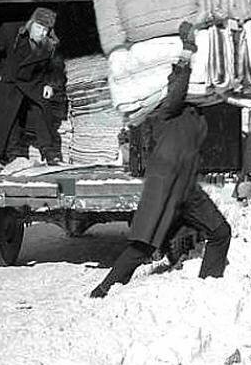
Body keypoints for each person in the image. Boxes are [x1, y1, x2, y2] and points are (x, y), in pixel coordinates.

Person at [90, 22, 231, 298]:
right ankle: (102, 291)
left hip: (186, 189)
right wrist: (187, 52)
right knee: (143, 246)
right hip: (166, 186)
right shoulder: (164, 112)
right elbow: (177, 88)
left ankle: (209, 287)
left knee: (221, 232)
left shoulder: (191, 113)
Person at [0, 8, 67, 166]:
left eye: (45, 30)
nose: (42, 33)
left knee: (43, 110)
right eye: (39, 28)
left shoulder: (50, 44)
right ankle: (14, 155)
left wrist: (50, 84)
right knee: (10, 116)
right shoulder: (10, 31)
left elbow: (56, 66)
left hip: (34, 82)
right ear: (31, 24)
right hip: (9, 80)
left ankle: (50, 153)